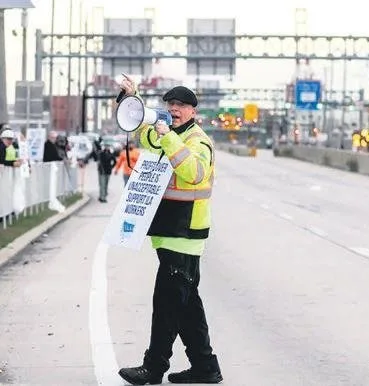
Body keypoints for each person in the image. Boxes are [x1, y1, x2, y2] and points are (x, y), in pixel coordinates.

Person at [116, 78, 222, 385]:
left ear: (192, 111)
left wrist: (168, 138)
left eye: (180, 106)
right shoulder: (169, 133)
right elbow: (141, 132)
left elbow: (195, 174)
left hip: (185, 234)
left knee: (166, 304)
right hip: (169, 233)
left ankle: (154, 368)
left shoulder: (197, 141)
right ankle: (205, 366)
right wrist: (130, 98)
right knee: (186, 306)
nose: (174, 110)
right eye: (170, 105)